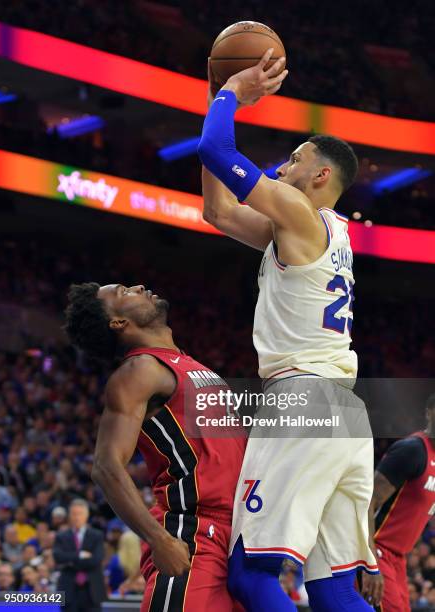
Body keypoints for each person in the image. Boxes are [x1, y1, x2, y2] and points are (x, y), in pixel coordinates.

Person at [198, 50, 380, 611]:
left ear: (320, 175)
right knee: (334, 590)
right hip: (346, 411)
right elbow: (219, 212)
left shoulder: (299, 215)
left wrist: (230, 91)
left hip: (301, 401)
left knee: (251, 576)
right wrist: (216, 100)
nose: (282, 166)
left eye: (295, 158)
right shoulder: (323, 231)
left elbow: (215, 149)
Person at [64, 282, 246, 611]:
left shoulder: (192, 366)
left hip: (238, 536)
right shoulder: (139, 370)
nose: (139, 286)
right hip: (193, 535)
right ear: (118, 322)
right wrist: (159, 539)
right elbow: (106, 466)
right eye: (123, 292)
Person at [370, 394, 435, 611]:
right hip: (377, 549)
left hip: (399, 558)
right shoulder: (412, 450)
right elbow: (366, 503)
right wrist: (370, 563)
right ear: (428, 412)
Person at [53, 499, 106, 612]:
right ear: (69, 516)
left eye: (80, 514)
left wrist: (70, 561)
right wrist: (79, 555)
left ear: (86, 515)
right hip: (69, 590)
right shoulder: (61, 536)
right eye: (74, 514)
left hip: (92, 591)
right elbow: (58, 557)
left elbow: (96, 559)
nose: (77, 517)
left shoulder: (97, 535)